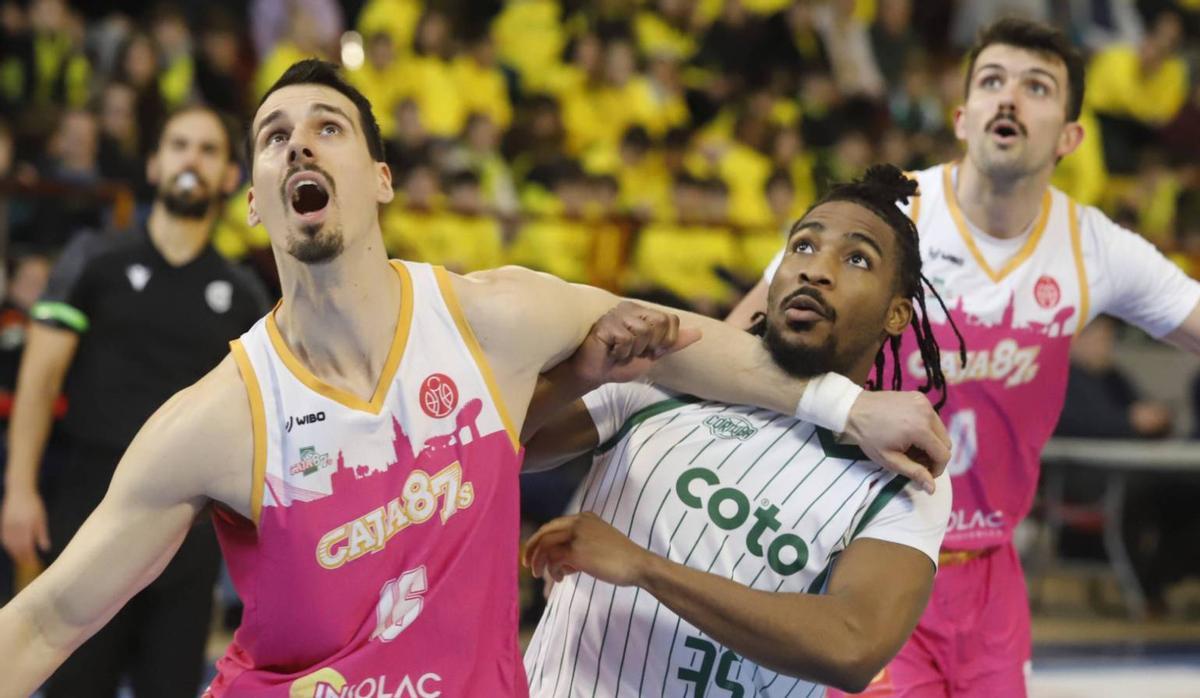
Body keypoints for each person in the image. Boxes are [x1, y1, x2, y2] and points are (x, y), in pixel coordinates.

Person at [0, 60, 950, 697]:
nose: (299, 143)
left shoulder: (495, 315)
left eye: (327, 126)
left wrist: (848, 404)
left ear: (379, 178)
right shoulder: (215, 419)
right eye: (273, 134)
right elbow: (47, 618)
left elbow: (686, 341)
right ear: (252, 199)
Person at [728, 18, 1200, 697]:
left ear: (1070, 136)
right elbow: (738, 342)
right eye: (992, 81)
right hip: (870, 553)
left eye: (1036, 87)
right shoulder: (885, 219)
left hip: (991, 574)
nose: (1009, 98)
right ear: (963, 115)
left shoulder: (1094, 245)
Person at [521, 166, 954, 697]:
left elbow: (852, 646)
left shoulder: (901, 471)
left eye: (856, 258)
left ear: (896, 314)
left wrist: (647, 569)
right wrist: (580, 373)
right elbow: (510, 444)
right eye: (802, 247)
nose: (815, 271)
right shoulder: (665, 374)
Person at [0, 105, 270, 697]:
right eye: (178, 145)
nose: (190, 161)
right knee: (76, 686)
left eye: (207, 150)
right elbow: (39, 382)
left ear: (230, 177)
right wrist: (20, 490)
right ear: (154, 164)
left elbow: (261, 422)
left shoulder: (247, 294)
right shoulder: (93, 260)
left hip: (191, 529)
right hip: (88, 509)